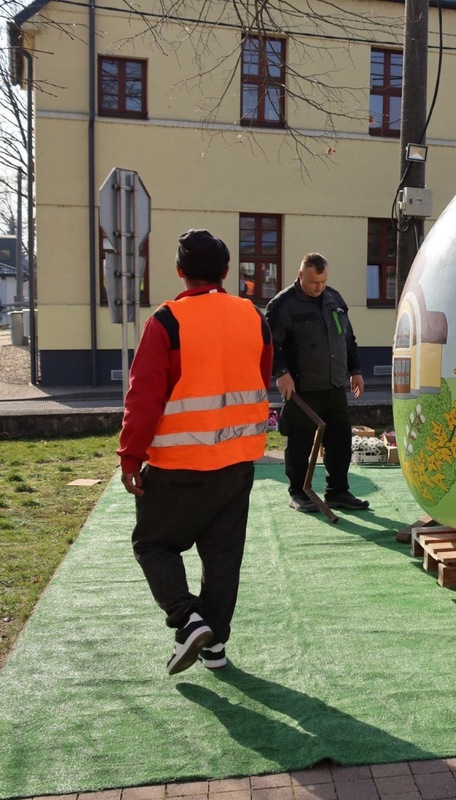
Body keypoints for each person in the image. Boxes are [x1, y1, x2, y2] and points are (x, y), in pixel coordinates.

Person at [117, 229, 273, 674]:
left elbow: (144, 396)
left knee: (152, 544)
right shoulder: (252, 316)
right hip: (236, 461)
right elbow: (260, 376)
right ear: (226, 271)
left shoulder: (167, 321)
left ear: (179, 271)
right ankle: (214, 646)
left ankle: (187, 620)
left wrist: (131, 456)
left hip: (177, 463)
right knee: (222, 557)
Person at [265, 253, 369, 513]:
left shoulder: (334, 299)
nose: (319, 287)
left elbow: (348, 338)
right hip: (301, 389)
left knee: (340, 440)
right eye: (313, 282)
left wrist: (355, 370)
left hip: (334, 385)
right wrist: (281, 373)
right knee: (299, 443)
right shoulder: (283, 305)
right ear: (300, 275)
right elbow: (269, 345)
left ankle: (337, 491)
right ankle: (298, 492)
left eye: (323, 282)